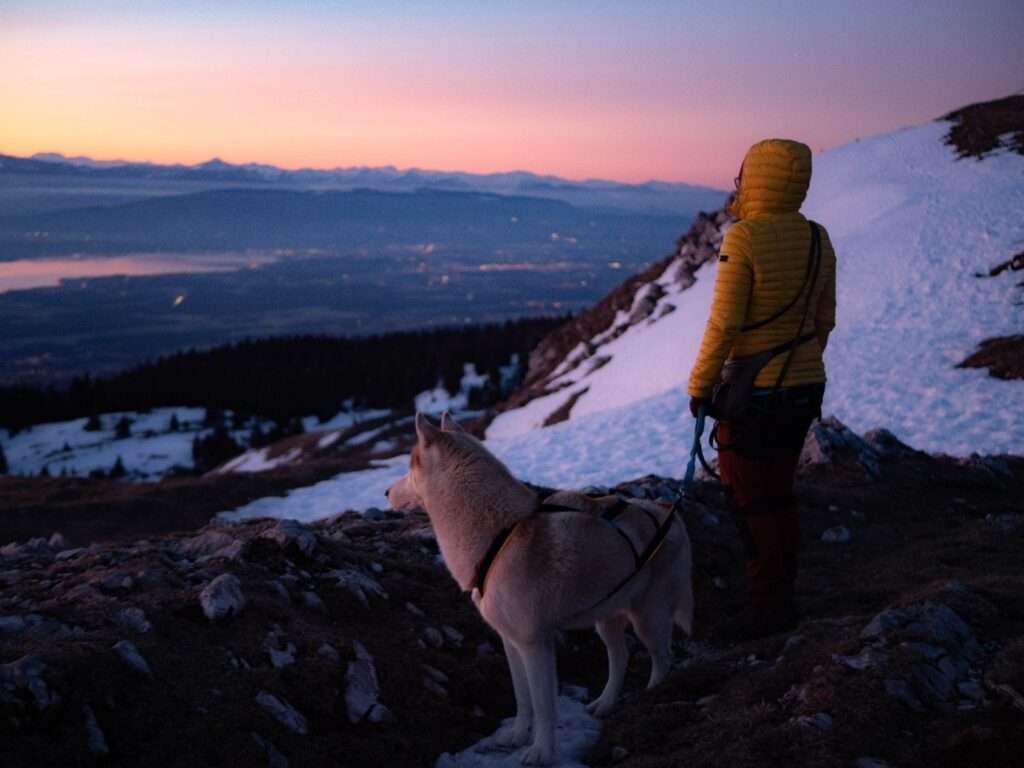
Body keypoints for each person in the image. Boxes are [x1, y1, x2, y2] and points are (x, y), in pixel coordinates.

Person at [687, 138, 836, 640]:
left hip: (755, 394)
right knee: (779, 493)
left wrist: (700, 384)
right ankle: (780, 594)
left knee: (750, 499)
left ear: (756, 178)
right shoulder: (818, 238)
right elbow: (823, 320)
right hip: (804, 386)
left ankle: (766, 610)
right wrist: (797, 364)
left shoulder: (744, 238)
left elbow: (724, 323)